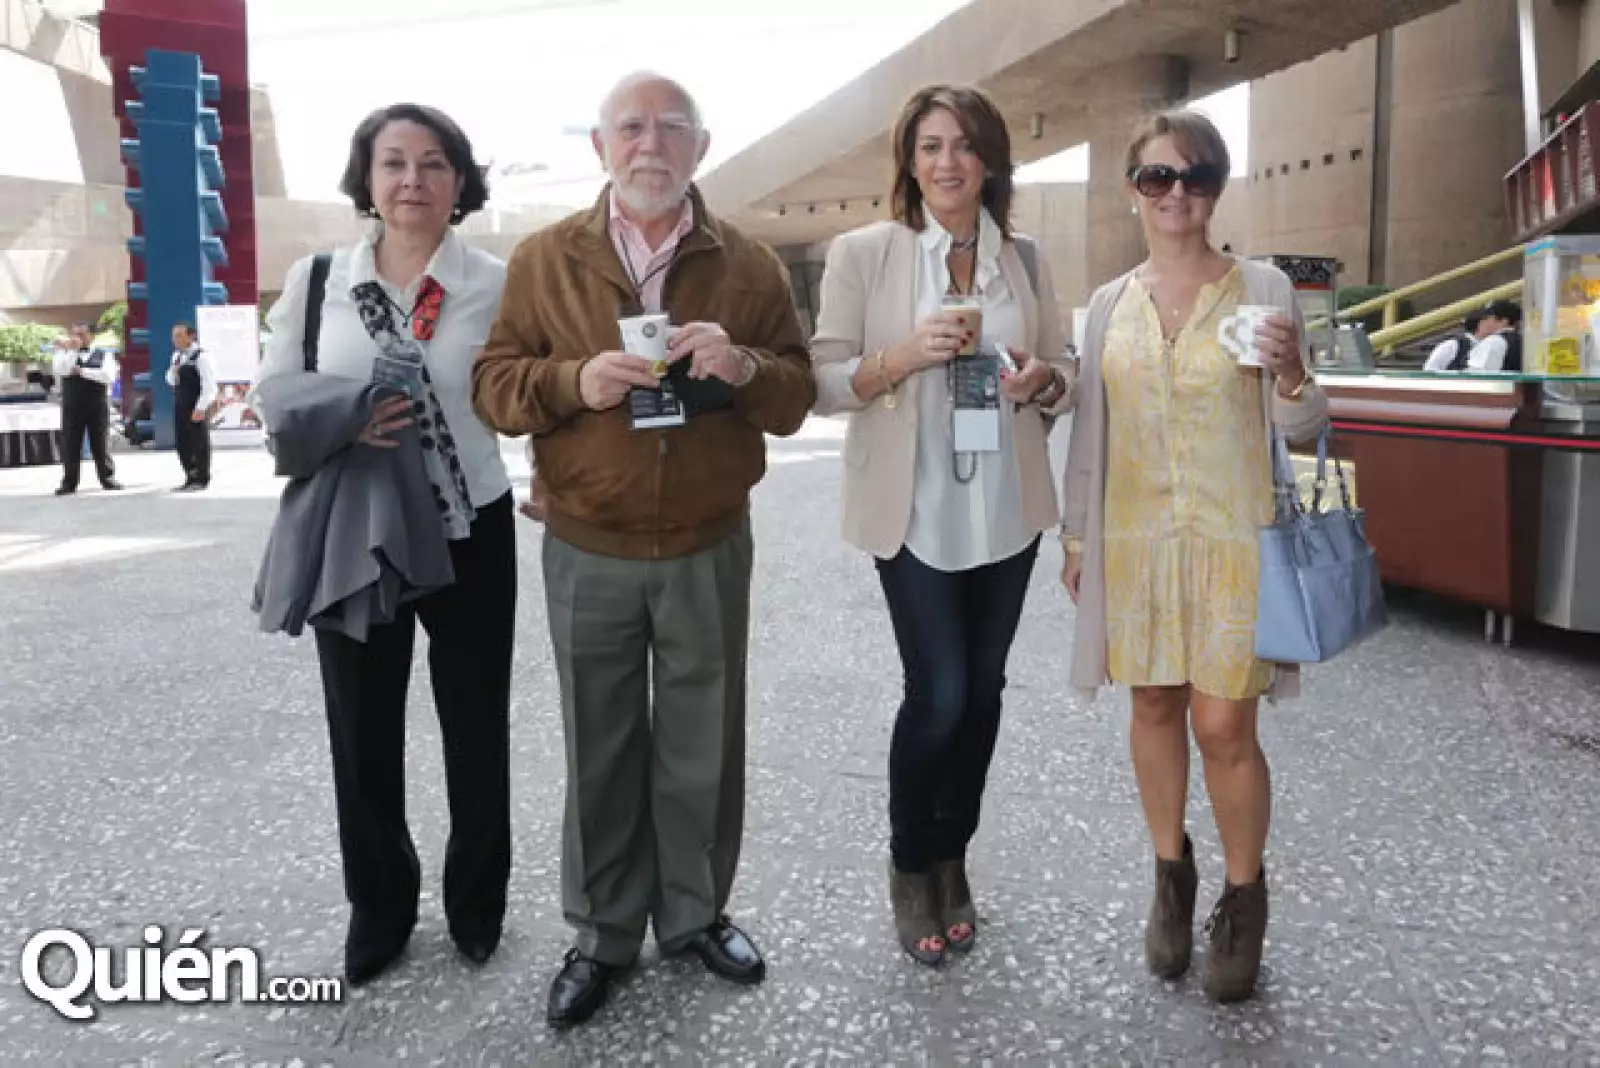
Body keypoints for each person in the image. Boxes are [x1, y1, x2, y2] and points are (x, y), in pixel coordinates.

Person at [472, 71, 816, 1029]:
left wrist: (742, 365)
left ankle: (696, 915)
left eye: (672, 128)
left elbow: (794, 395)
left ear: (701, 147)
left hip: (709, 540)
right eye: (631, 127)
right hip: (591, 545)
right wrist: (574, 381)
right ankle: (603, 931)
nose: (650, 144)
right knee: (601, 742)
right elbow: (495, 385)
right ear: (601, 146)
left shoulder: (748, 264)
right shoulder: (544, 258)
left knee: (706, 740)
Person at [1060, 110, 1329, 1004]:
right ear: (1132, 190)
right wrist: (1076, 536)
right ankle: (1170, 878)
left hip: (1235, 542)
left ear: (1216, 188)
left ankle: (1244, 900)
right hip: (1136, 540)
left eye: (1196, 175)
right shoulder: (1109, 305)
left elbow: (1304, 428)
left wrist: (1291, 376)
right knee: (1152, 705)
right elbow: (1090, 435)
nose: (1177, 193)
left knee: (1224, 727)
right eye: (1158, 177)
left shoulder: (1264, 289)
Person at [809, 85, 1074, 967]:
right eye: (929, 146)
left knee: (985, 693)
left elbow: (1066, 369)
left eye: (963, 145)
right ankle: (909, 860)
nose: (947, 162)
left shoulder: (1025, 259)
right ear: (909, 162)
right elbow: (823, 383)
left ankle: (954, 854)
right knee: (942, 693)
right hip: (915, 507)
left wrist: (1040, 381)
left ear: (990, 160)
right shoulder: (865, 253)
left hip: (1006, 507)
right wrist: (901, 357)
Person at [252, 103, 516, 986]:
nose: (413, 180)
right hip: (358, 527)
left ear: (459, 181)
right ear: (366, 178)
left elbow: (522, 387)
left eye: (434, 163)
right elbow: (274, 390)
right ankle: (379, 908)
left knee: (476, 721)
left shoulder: (496, 281)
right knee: (361, 725)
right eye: (393, 162)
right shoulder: (319, 278)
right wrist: (343, 421)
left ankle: (477, 902)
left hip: (471, 521)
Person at [52, 322, 122, 495]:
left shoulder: (104, 355)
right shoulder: (64, 354)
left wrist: (83, 372)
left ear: (91, 336)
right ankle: (69, 482)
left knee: (100, 442)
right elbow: (60, 370)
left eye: (81, 334)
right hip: (72, 406)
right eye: (74, 334)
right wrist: (72, 352)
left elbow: (108, 376)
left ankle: (107, 477)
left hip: (96, 405)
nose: (77, 338)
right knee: (70, 444)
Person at [165, 322, 216, 490]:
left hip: (196, 404)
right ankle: (190, 475)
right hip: (180, 403)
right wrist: (174, 372)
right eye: (174, 336)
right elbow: (171, 381)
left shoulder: (201, 357)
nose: (175, 340)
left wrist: (201, 407)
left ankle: (202, 478)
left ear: (191, 336)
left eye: (179, 336)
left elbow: (209, 385)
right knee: (183, 442)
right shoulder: (176, 357)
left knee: (198, 442)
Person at [1422, 309, 1490, 372]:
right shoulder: (1454, 345)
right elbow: (1430, 369)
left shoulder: (1491, 346)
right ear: (1480, 324)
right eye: (1491, 321)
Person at [1465, 299, 1523, 372]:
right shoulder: (1524, 342)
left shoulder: (1494, 341)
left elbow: (1476, 374)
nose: (1484, 321)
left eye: (1488, 318)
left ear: (1504, 321)